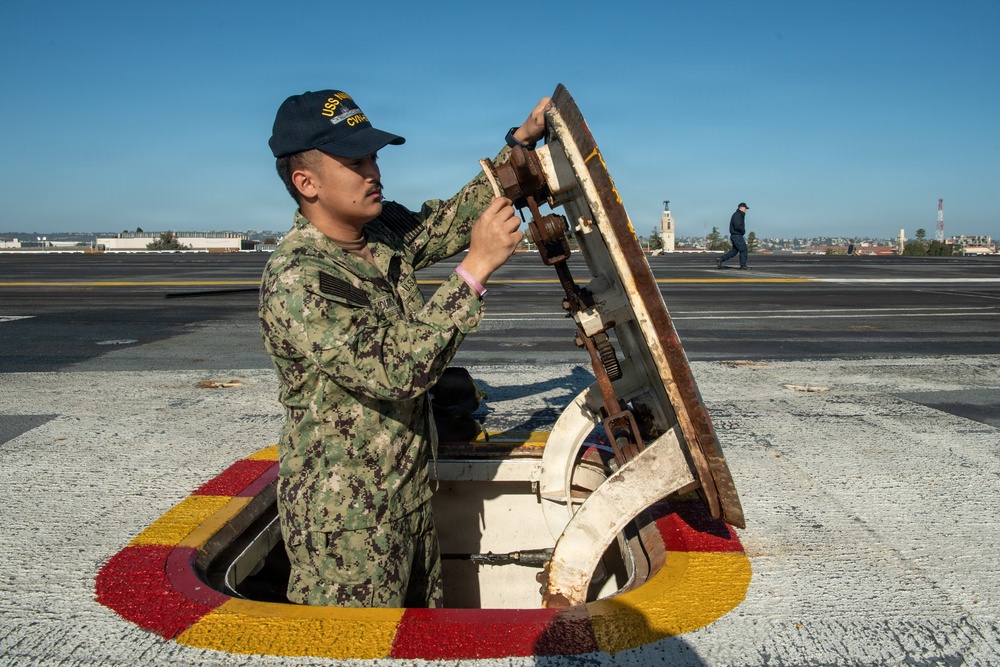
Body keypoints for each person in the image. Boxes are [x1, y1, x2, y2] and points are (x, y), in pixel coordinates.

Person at [258, 89, 549, 608]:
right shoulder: (300, 277)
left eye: (373, 156)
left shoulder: (379, 231)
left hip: (408, 497)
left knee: (417, 642)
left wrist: (519, 147)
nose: (373, 171)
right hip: (346, 527)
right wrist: (474, 272)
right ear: (306, 183)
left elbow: (452, 220)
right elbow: (393, 370)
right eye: (354, 161)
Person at [717, 202, 750, 270]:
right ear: (741, 208)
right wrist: (743, 231)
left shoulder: (738, 215)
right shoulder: (738, 215)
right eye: (745, 208)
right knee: (744, 250)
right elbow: (737, 226)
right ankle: (743, 265)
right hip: (737, 235)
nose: (745, 210)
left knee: (734, 251)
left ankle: (721, 259)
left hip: (735, 235)